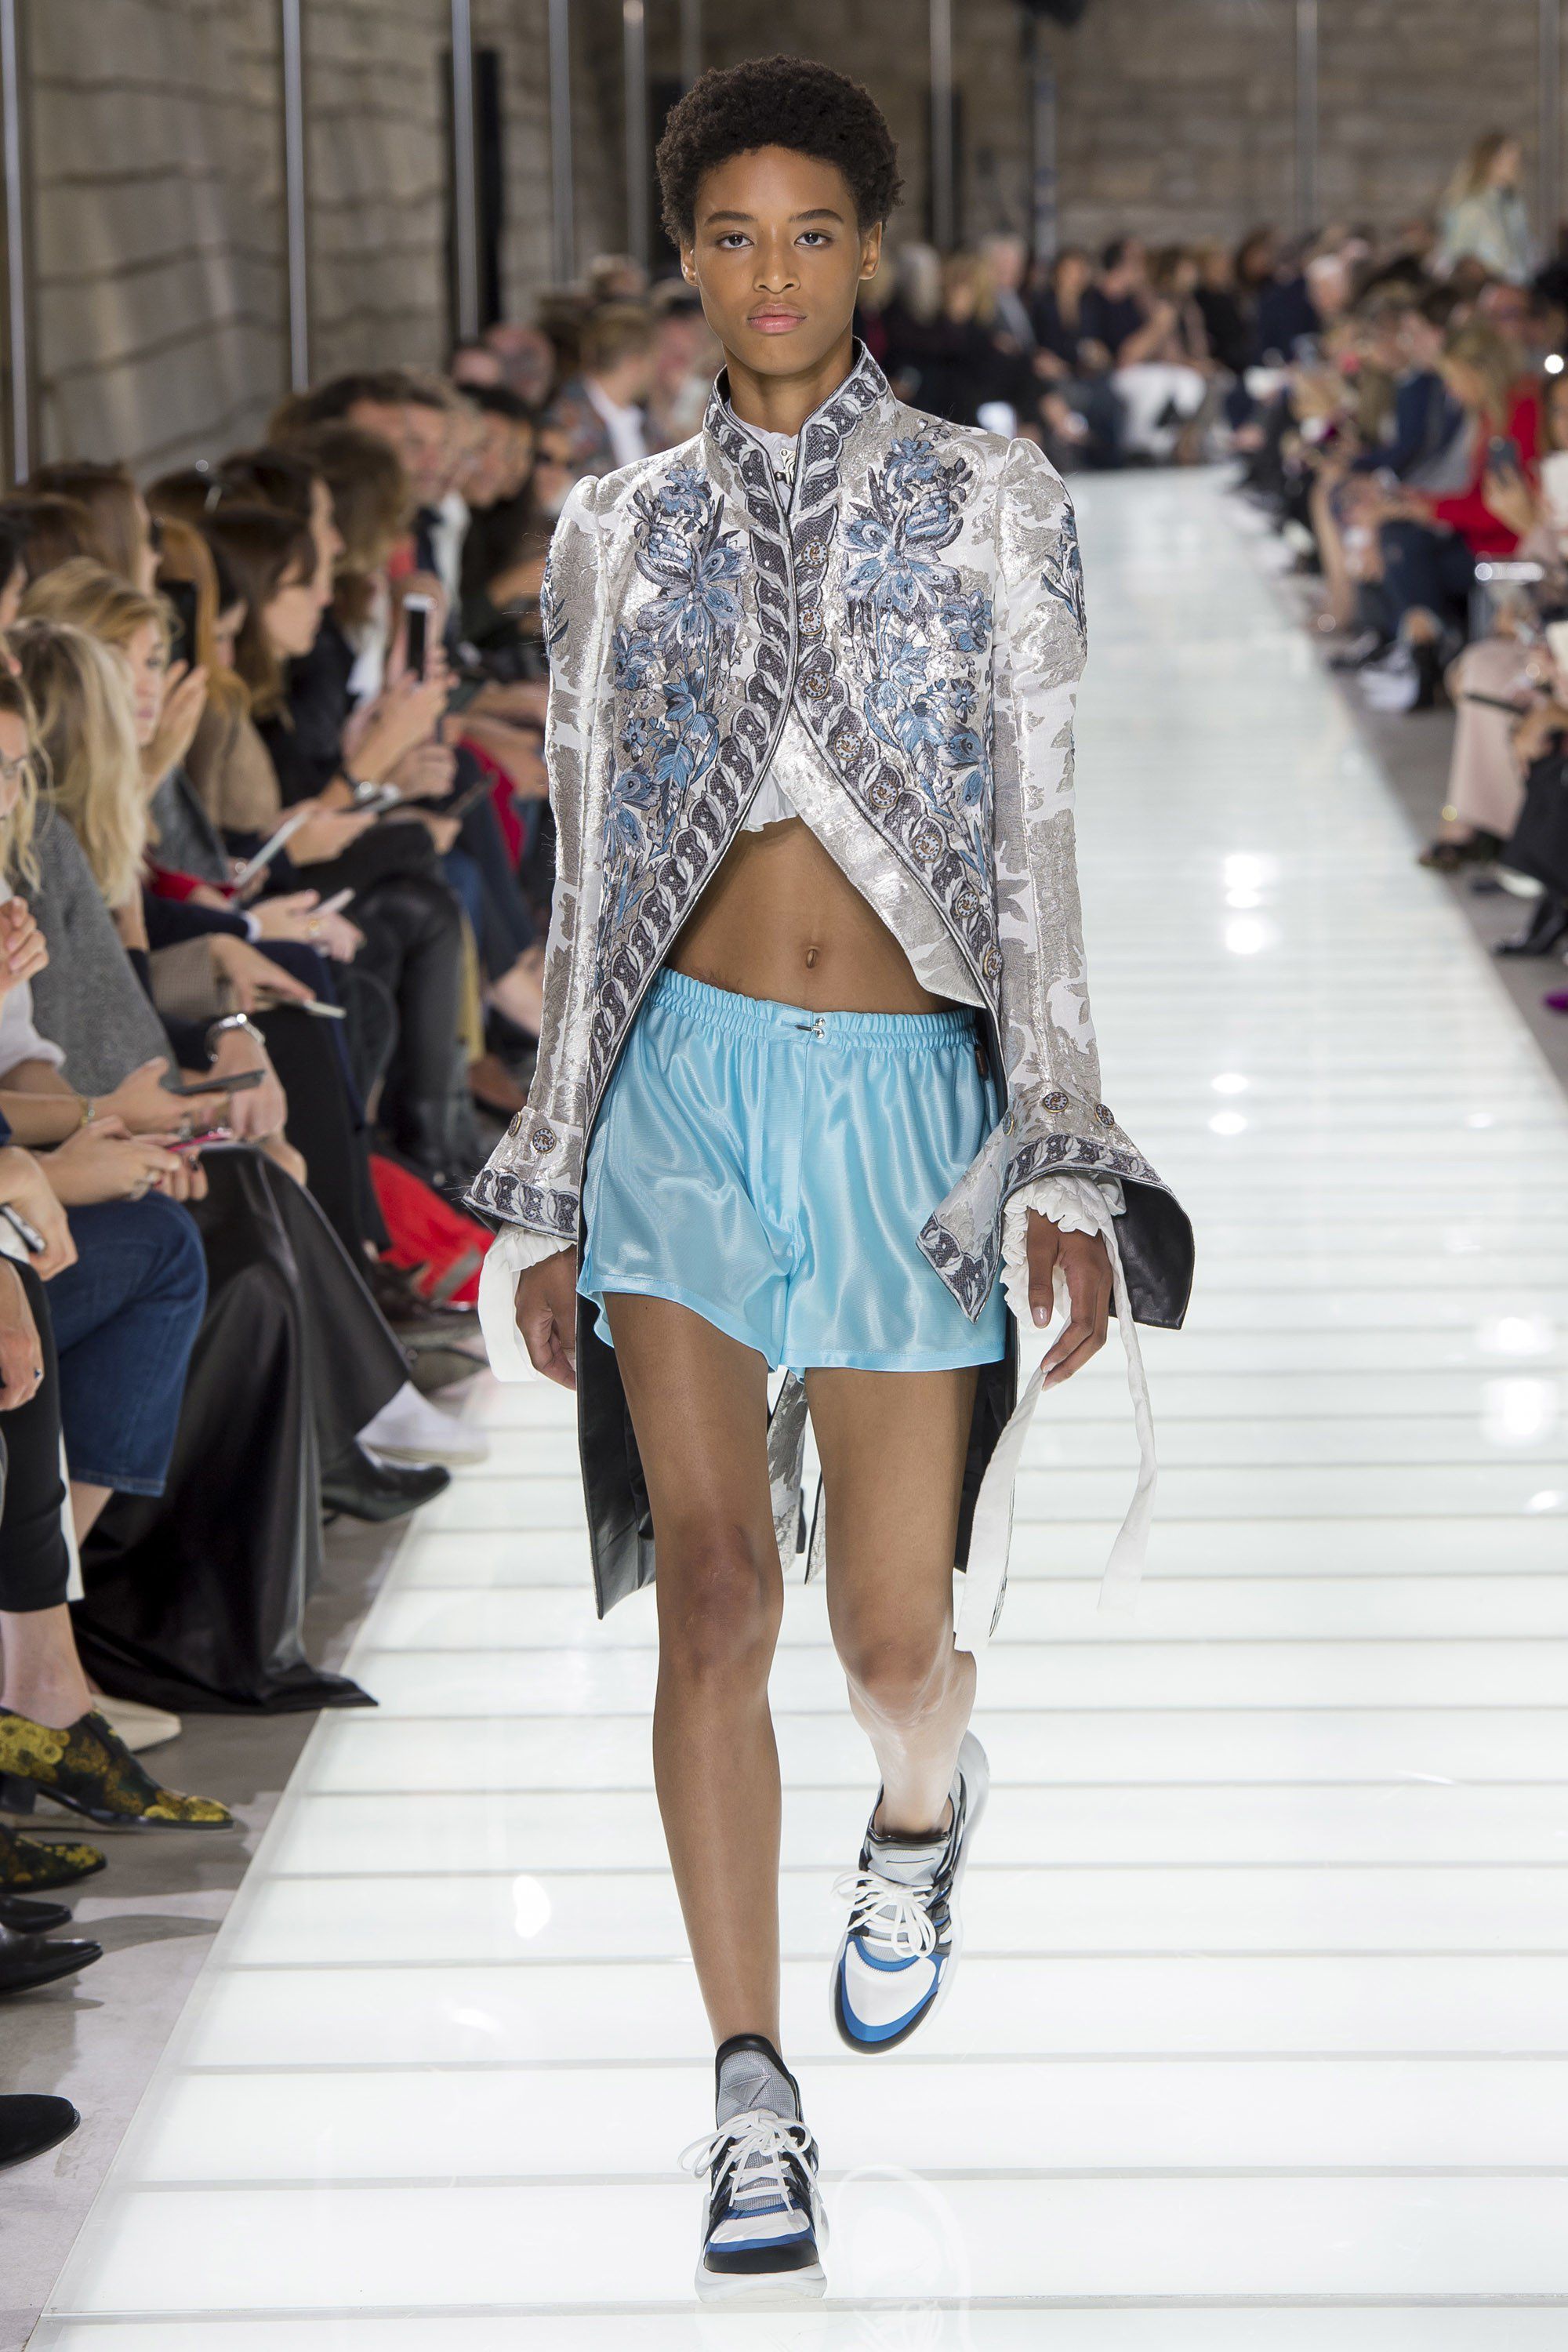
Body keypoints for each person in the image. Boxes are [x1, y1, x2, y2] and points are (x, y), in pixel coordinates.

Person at [468, 53, 1192, 2302]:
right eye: (730, 234)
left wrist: (1060, 1152)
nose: (770, 274)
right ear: (684, 259)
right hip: (678, 1092)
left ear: (869, 252)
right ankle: (749, 2091)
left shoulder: (990, 501)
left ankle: (918, 1805)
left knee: (894, 1645)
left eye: (810, 233)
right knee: (712, 1596)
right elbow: (591, 865)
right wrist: (554, 1170)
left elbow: (1036, 841)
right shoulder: (612, 534)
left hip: (906, 1117)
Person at [1434, 132, 1534, 285]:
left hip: (1515, 286)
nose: (1516, 166)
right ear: (1491, 161)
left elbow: (1521, 256)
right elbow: (1455, 256)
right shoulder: (1470, 207)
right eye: (1510, 159)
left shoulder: (1513, 205)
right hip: (1486, 288)